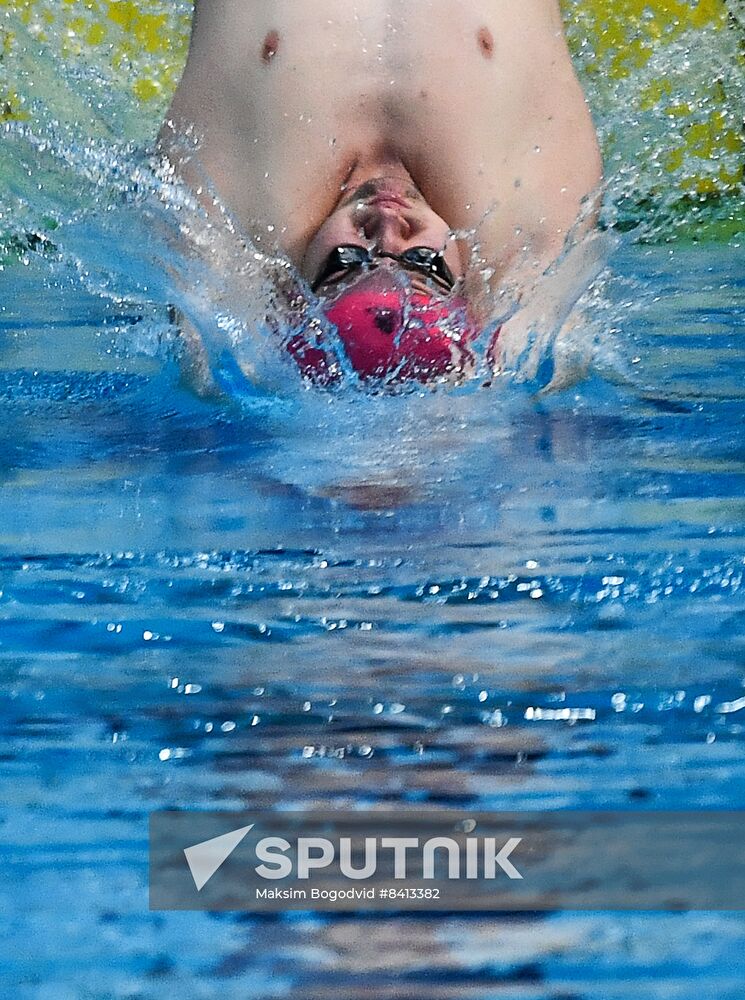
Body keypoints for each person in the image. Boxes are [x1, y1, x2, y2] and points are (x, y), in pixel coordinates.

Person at [159, 0, 603, 389]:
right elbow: (548, 347)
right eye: (424, 264)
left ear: (294, 305)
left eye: (346, 261)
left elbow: (208, 350)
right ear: (474, 302)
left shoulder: (236, 214)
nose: (388, 227)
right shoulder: (527, 224)